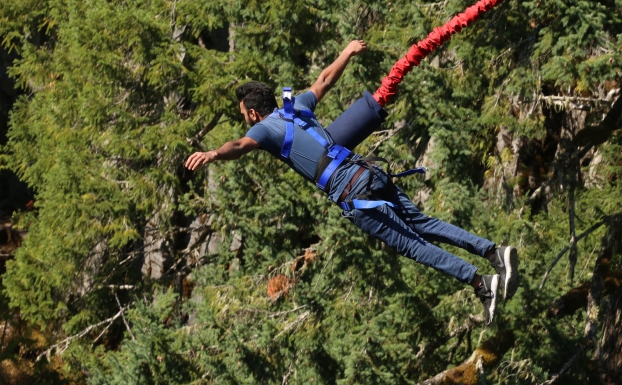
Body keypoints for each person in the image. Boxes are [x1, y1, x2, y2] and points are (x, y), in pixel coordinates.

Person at [184, 40, 519, 325]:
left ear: (254, 114)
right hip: (366, 171)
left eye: (244, 116)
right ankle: (493, 252)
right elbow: (324, 81)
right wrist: (346, 52)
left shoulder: (263, 129)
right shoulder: (295, 106)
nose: (246, 122)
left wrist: (214, 153)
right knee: (421, 223)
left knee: (412, 245)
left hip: (349, 190)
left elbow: (239, 146)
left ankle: (481, 283)